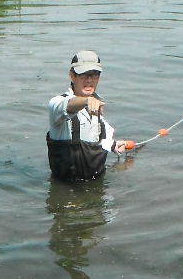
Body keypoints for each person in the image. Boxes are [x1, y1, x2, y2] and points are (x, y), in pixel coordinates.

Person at [46, 50, 134, 183]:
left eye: (94, 75)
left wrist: (114, 145)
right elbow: (69, 106)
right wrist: (86, 101)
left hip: (97, 186)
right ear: (72, 76)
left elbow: (97, 140)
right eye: (83, 75)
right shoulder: (56, 105)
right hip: (66, 190)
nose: (89, 80)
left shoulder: (98, 105)